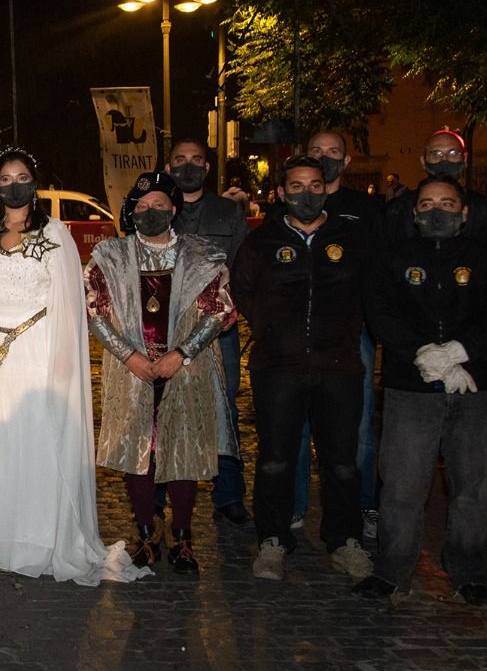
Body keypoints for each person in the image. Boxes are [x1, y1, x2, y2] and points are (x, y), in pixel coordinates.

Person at [0, 149, 145, 584]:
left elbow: (68, 307)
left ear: (33, 182)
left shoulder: (55, 233)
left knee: (34, 440)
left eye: (22, 176)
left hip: (35, 348)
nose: (14, 184)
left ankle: (37, 537)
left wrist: (62, 367)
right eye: (5, 178)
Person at [355, 177, 487, 604]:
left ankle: (468, 569)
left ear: (464, 214)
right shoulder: (393, 258)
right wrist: (420, 351)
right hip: (412, 388)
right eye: (427, 203)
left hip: (477, 387)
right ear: (414, 214)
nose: (436, 211)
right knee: (402, 486)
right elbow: (381, 311)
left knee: (473, 486)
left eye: (447, 203)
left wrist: (461, 352)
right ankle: (392, 571)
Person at [231, 157, 373, 583]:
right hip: (278, 368)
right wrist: (273, 329)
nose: (306, 194)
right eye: (296, 186)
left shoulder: (354, 238)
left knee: (342, 462)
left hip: (340, 367)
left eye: (315, 185)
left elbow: (373, 293)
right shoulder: (261, 241)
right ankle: (273, 540)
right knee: (275, 459)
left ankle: (344, 540)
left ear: (326, 189)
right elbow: (242, 290)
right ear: (281, 192)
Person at [85, 172, 236, 574]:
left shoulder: (202, 256)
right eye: (141, 206)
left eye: (158, 205)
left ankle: (183, 537)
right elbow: (96, 312)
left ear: (173, 208)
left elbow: (217, 310)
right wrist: (128, 355)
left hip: (186, 369)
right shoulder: (110, 256)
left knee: (184, 450)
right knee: (140, 453)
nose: (150, 211)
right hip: (131, 370)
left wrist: (181, 354)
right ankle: (147, 535)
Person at [289, 129, 384, 537]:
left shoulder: (366, 210)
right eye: (316, 152)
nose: (324, 158)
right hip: (299, 335)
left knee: (357, 427)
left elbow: (380, 272)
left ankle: (362, 505)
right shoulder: (290, 208)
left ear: (346, 161)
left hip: (351, 335)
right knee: (296, 425)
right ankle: (292, 508)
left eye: (332, 152)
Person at [164, 136, 251, 526]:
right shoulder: (157, 207)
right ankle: (160, 487)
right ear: (168, 167)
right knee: (164, 404)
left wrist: (225, 305)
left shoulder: (228, 212)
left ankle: (229, 494)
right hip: (165, 327)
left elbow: (242, 265)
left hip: (218, 328)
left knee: (224, 407)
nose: (188, 166)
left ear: (208, 167)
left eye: (196, 159)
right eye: (180, 159)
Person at [381, 129, 487, 254]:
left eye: (453, 153)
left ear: (464, 159)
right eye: (436, 154)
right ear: (423, 161)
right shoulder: (399, 210)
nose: (444, 160)